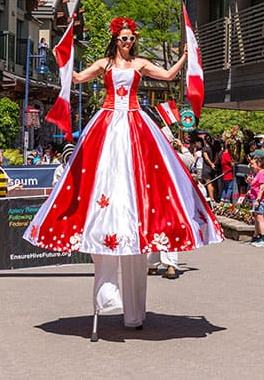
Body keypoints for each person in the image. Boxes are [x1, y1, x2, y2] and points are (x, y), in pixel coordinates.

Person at [23, 17, 223, 330]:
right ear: (116, 38)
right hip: (106, 124)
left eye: (131, 39)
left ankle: (134, 313)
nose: (127, 43)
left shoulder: (140, 64)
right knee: (102, 182)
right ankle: (109, 295)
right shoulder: (103, 64)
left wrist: (186, 55)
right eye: (123, 38)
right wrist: (65, 52)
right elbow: (75, 78)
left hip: (134, 123)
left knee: (140, 188)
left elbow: (169, 76)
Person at [248, 153, 264, 247]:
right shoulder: (258, 173)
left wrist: (258, 200)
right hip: (255, 197)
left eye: (253, 164)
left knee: (260, 218)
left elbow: (262, 188)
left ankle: (263, 238)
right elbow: (256, 185)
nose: (252, 166)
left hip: (259, 199)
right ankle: (256, 236)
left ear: (258, 164)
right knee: (257, 218)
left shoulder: (262, 173)